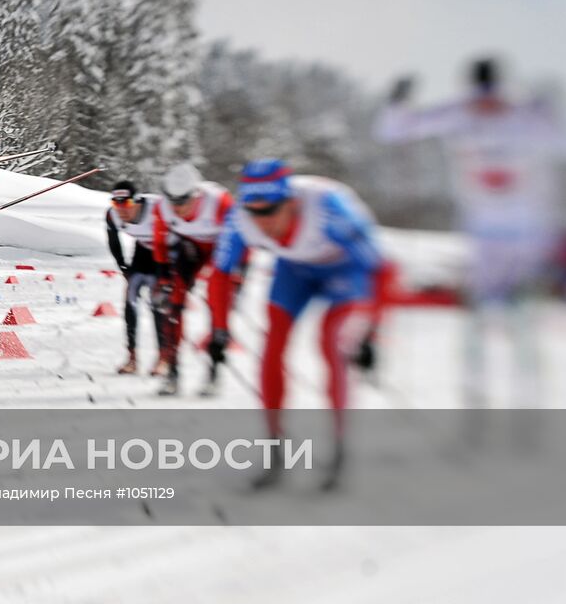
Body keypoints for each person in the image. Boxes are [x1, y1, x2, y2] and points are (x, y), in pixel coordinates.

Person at [374, 57, 565, 409]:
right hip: (483, 230)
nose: (486, 105)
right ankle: (474, 396)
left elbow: (557, 133)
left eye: (492, 96)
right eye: (479, 96)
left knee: (521, 314)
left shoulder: (520, 114)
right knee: (478, 314)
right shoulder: (460, 113)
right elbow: (397, 130)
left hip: (523, 231)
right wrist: (397, 103)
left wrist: (549, 103)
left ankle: (529, 396)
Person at [207, 159, 382, 490]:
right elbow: (219, 274)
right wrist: (218, 329)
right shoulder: (240, 218)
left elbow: (378, 268)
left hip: (343, 273)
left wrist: (372, 332)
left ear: (292, 202)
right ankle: (275, 449)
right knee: (272, 347)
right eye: (254, 212)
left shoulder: (329, 208)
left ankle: (340, 447)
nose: (263, 222)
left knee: (330, 345)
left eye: (271, 211)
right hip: (294, 273)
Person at [151, 162, 239, 396]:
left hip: (221, 250)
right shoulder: (163, 208)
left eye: (184, 202)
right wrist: (162, 278)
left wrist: (240, 275)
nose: (178, 208)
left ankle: (213, 372)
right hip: (190, 250)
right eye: (173, 201)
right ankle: (173, 373)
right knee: (172, 304)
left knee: (218, 306)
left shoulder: (220, 202)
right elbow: (160, 244)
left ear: (197, 195)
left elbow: (241, 239)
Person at [105, 181, 167, 378]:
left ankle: (163, 358)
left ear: (138, 202)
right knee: (130, 304)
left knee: (158, 307)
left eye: (127, 204)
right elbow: (114, 242)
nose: (122, 210)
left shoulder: (159, 209)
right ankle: (132, 358)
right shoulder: (112, 215)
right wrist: (123, 267)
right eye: (117, 204)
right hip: (141, 254)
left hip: (165, 256)